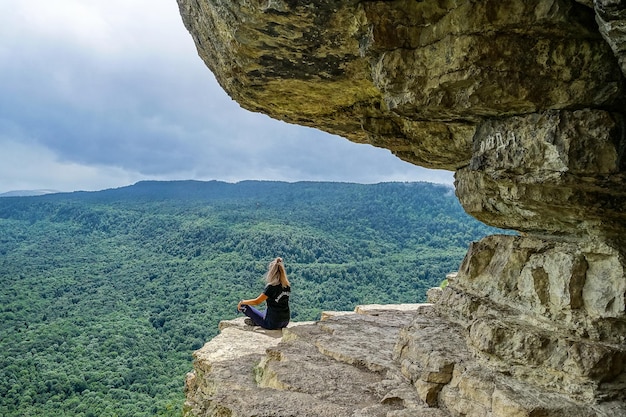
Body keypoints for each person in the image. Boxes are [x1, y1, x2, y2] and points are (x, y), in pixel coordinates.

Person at [237, 257, 291, 330]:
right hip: (285, 321)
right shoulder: (287, 285)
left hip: (272, 324)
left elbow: (257, 301)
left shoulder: (271, 287)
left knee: (243, 306)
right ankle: (258, 321)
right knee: (268, 308)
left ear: (271, 273)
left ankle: (258, 321)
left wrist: (242, 302)